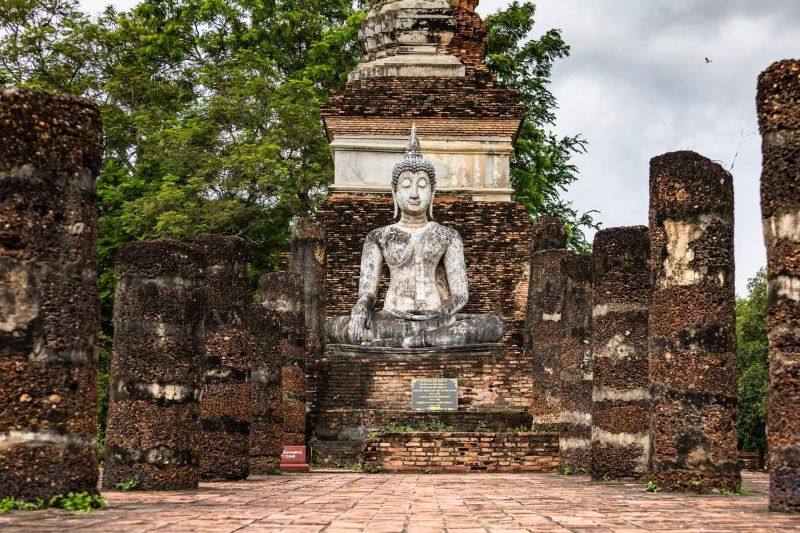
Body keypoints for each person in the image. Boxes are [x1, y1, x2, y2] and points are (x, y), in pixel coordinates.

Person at [326, 126, 505, 348]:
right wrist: (362, 306)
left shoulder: (447, 235)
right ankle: (415, 341)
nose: (414, 193)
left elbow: (460, 294)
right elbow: (367, 291)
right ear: (394, 192)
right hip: (391, 318)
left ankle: (409, 342)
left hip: (436, 319)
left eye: (422, 185)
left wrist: (441, 313)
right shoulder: (379, 236)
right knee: (336, 325)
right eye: (406, 185)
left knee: (493, 324)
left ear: (432, 192)